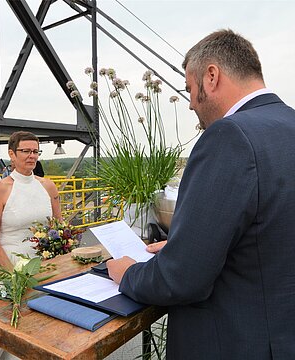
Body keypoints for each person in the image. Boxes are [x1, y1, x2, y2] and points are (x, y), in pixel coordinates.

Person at [107, 29, 295, 359]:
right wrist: (191, 242)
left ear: (211, 76)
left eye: (190, 89)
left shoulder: (230, 135)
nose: (191, 103)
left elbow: (181, 279)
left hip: (237, 343)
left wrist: (128, 273)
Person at [0, 131, 62, 268]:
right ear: (12, 154)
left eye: (35, 151)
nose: (32, 156)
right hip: (14, 261)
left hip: (47, 261)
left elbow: (59, 226)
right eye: (26, 151)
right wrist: (10, 272)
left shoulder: (49, 186)